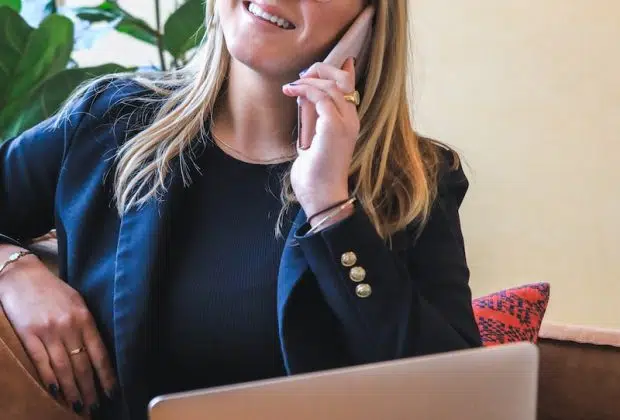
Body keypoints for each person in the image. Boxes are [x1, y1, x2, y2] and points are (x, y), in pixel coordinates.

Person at [0, 0, 482, 419]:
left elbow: (458, 399)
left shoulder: (414, 179)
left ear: (368, 22)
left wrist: (332, 209)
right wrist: (12, 269)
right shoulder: (108, 121)